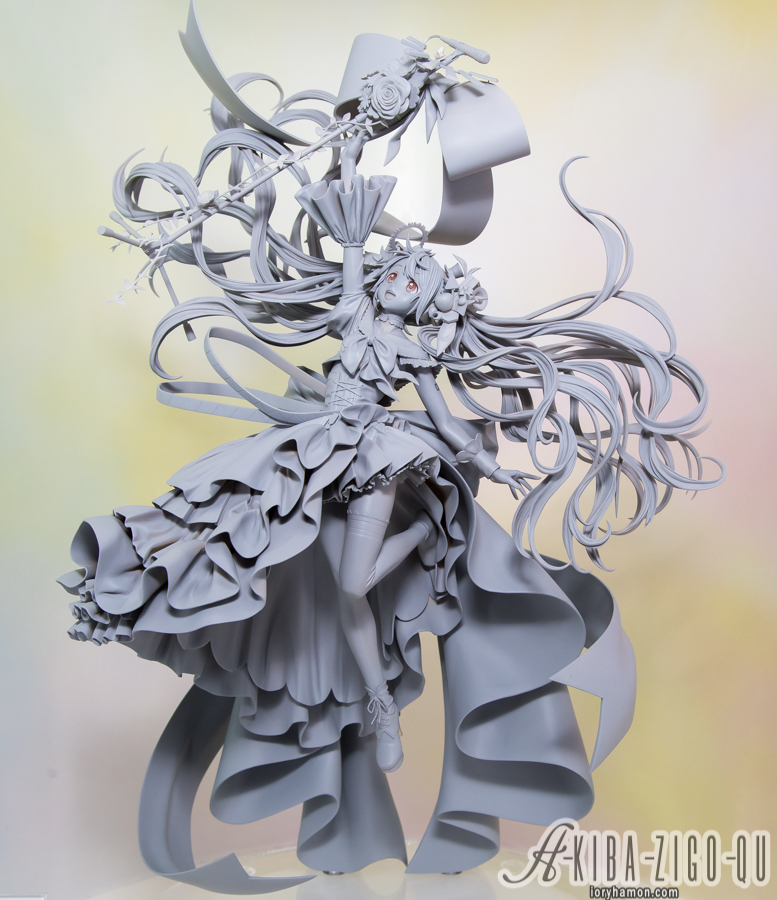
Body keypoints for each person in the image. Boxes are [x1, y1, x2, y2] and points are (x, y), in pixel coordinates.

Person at [58, 14, 723, 892]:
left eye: (419, 278)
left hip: (376, 461)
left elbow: (439, 406)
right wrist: (347, 188)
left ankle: (399, 623)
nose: (404, 275)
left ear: (430, 302)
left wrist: (478, 455)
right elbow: (345, 271)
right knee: (238, 535)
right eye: (400, 271)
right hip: (315, 451)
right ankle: (194, 621)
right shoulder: (364, 301)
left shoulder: (411, 344)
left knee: (346, 585)